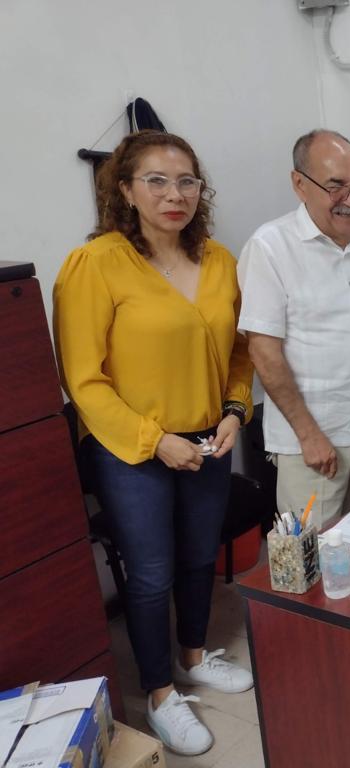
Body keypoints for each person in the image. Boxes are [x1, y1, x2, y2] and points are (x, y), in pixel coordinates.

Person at [53, 130, 255, 756]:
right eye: (157, 181)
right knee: (148, 573)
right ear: (125, 190)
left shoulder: (219, 261)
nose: (175, 194)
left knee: (197, 555)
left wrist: (235, 410)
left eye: (187, 181)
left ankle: (193, 657)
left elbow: (239, 352)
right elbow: (83, 380)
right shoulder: (95, 264)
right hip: (130, 448)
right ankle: (161, 695)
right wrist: (154, 440)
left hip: (208, 438)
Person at [237, 130, 350, 529]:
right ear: (300, 184)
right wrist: (308, 434)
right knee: (311, 554)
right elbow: (263, 352)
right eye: (335, 186)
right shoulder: (270, 247)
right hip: (313, 439)